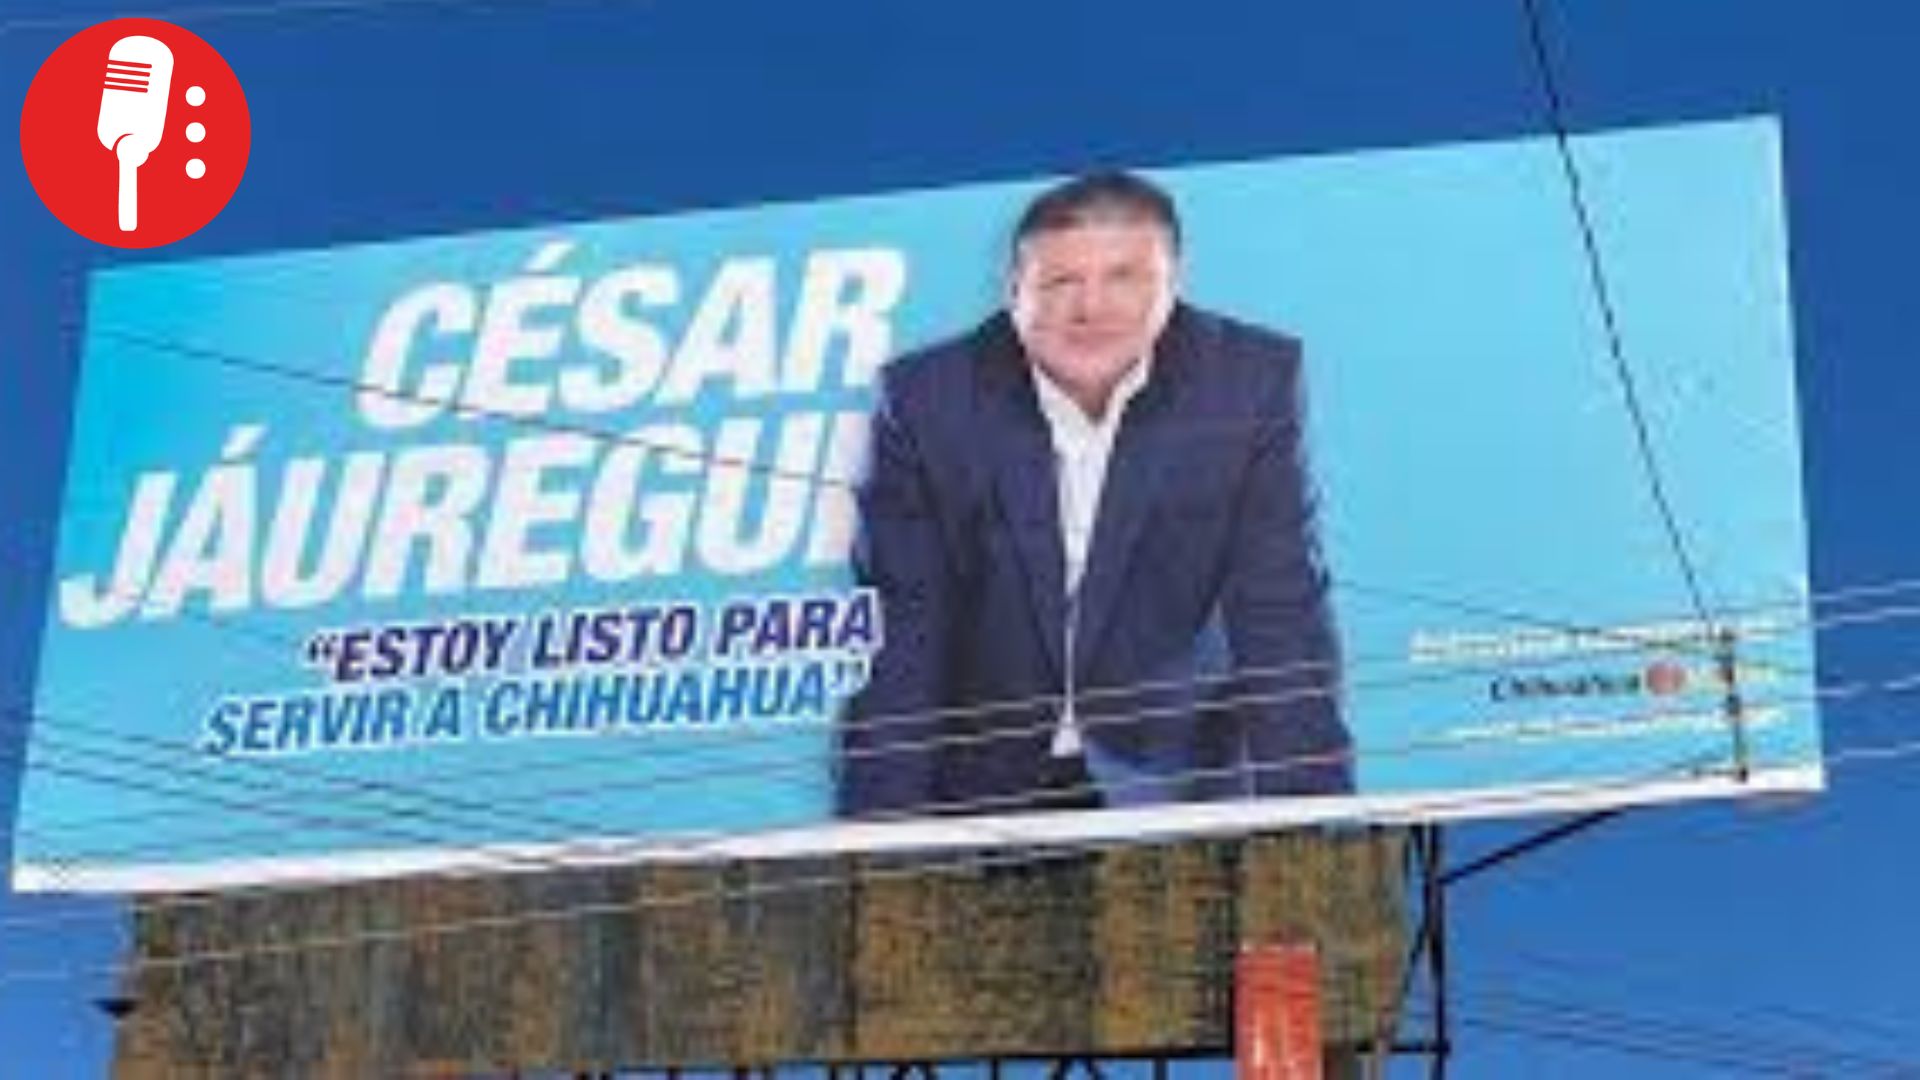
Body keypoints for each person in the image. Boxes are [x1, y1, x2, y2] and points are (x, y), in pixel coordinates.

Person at [836, 170, 1351, 818]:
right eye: (1060, 282)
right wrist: (878, 841)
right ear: (1013, 291)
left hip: (1178, 777)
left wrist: (1318, 832)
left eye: (1124, 277)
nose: (1091, 309)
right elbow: (904, 636)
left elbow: (1282, 618)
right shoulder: (926, 398)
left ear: (1174, 282)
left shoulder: (1248, 381)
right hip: (980, 786)